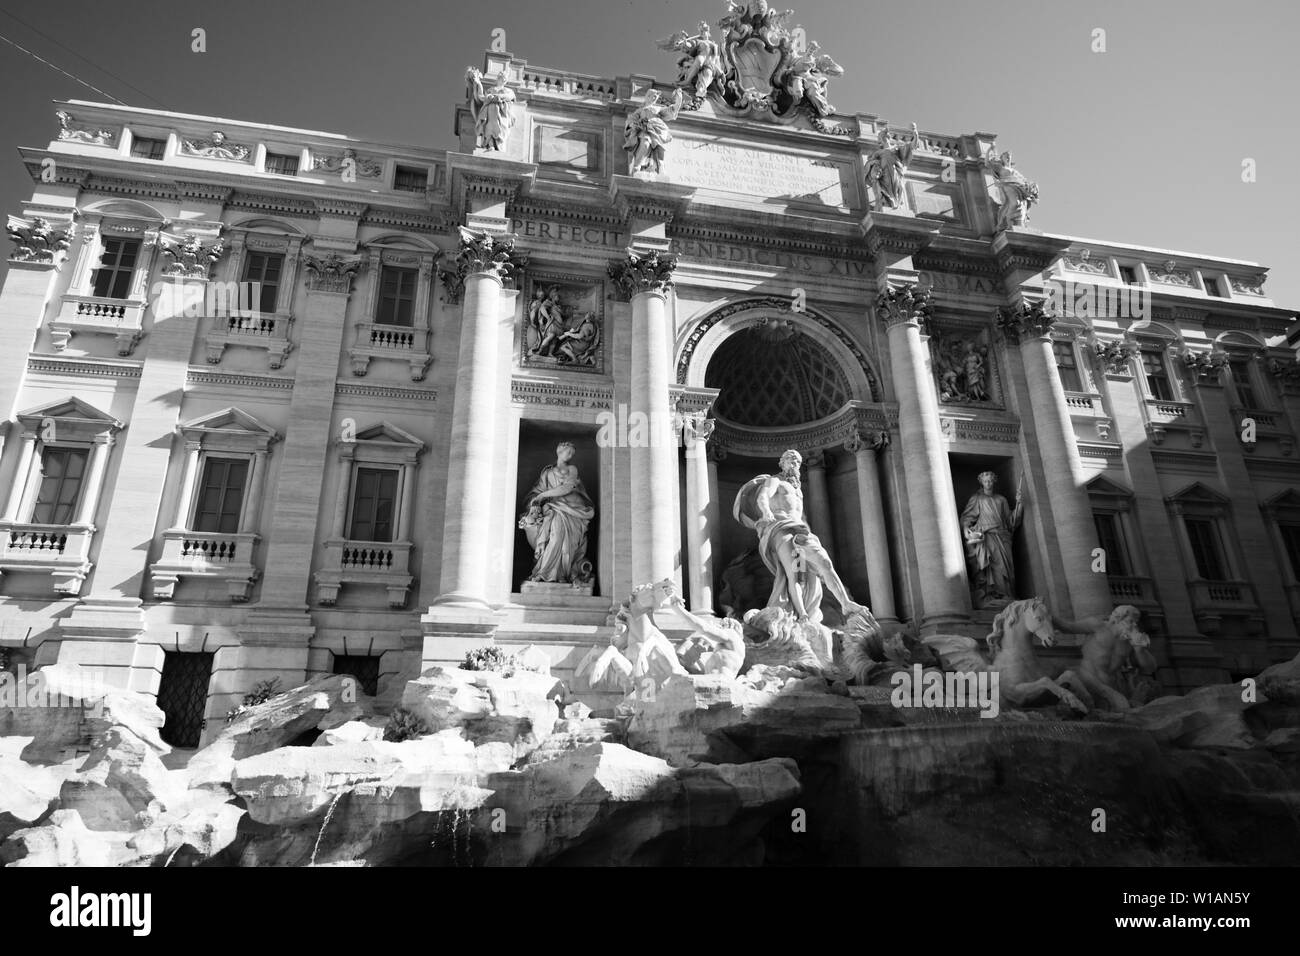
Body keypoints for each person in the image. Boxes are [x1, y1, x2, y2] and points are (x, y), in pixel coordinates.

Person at [733, 449, 866, 624]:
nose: (794, 463)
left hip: (801, 530)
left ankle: (846, 604)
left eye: (797, 461)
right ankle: (802, 615)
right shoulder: (775, 481)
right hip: (780, 528)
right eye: (790, 459)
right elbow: (763, 497)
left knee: (824, 563)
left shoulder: (798, 490)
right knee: (795, 573)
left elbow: (799, 515)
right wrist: (766, 512)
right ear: (782, 463)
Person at [519, 442, 596, 583]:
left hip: (573, 510)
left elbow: (567, 487)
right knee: (555, 537)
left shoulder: (572, 469)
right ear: (559, 452)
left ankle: (563, 574)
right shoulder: (547, 473)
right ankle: (546, 573)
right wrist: (535, 500)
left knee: (569, 545)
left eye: (572, 453)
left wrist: (542, 496)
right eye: (569, 452)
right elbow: (537, 492)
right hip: (554, 509)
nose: (571, 455)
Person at [960, 471, 1024, 607]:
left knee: (1005, 568)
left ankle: (1007, 594)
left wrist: (1019, 505)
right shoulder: (977, 498)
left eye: (990, 481)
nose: (988, 483)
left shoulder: (1001, 500)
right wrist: (966, 529)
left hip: (1002, 536)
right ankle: (992, 594)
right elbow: (967, 517)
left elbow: (1010, 521)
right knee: (992, 567)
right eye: (985, 481)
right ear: (981, 483)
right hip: (986, 537)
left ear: (994, 481)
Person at [624, 88, 684, 174]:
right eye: (654, 96)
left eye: (657, 96)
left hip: (657, 129)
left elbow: (671, 111)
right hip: (644, 128)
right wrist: (632, 125)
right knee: (645, 143)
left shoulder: (658, 108)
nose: (655, 98)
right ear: (648, 96)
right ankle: (637, 166)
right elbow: (631, 120)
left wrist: (679, 101)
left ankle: (659, 166)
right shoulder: (640, 110)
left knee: (658, 147)